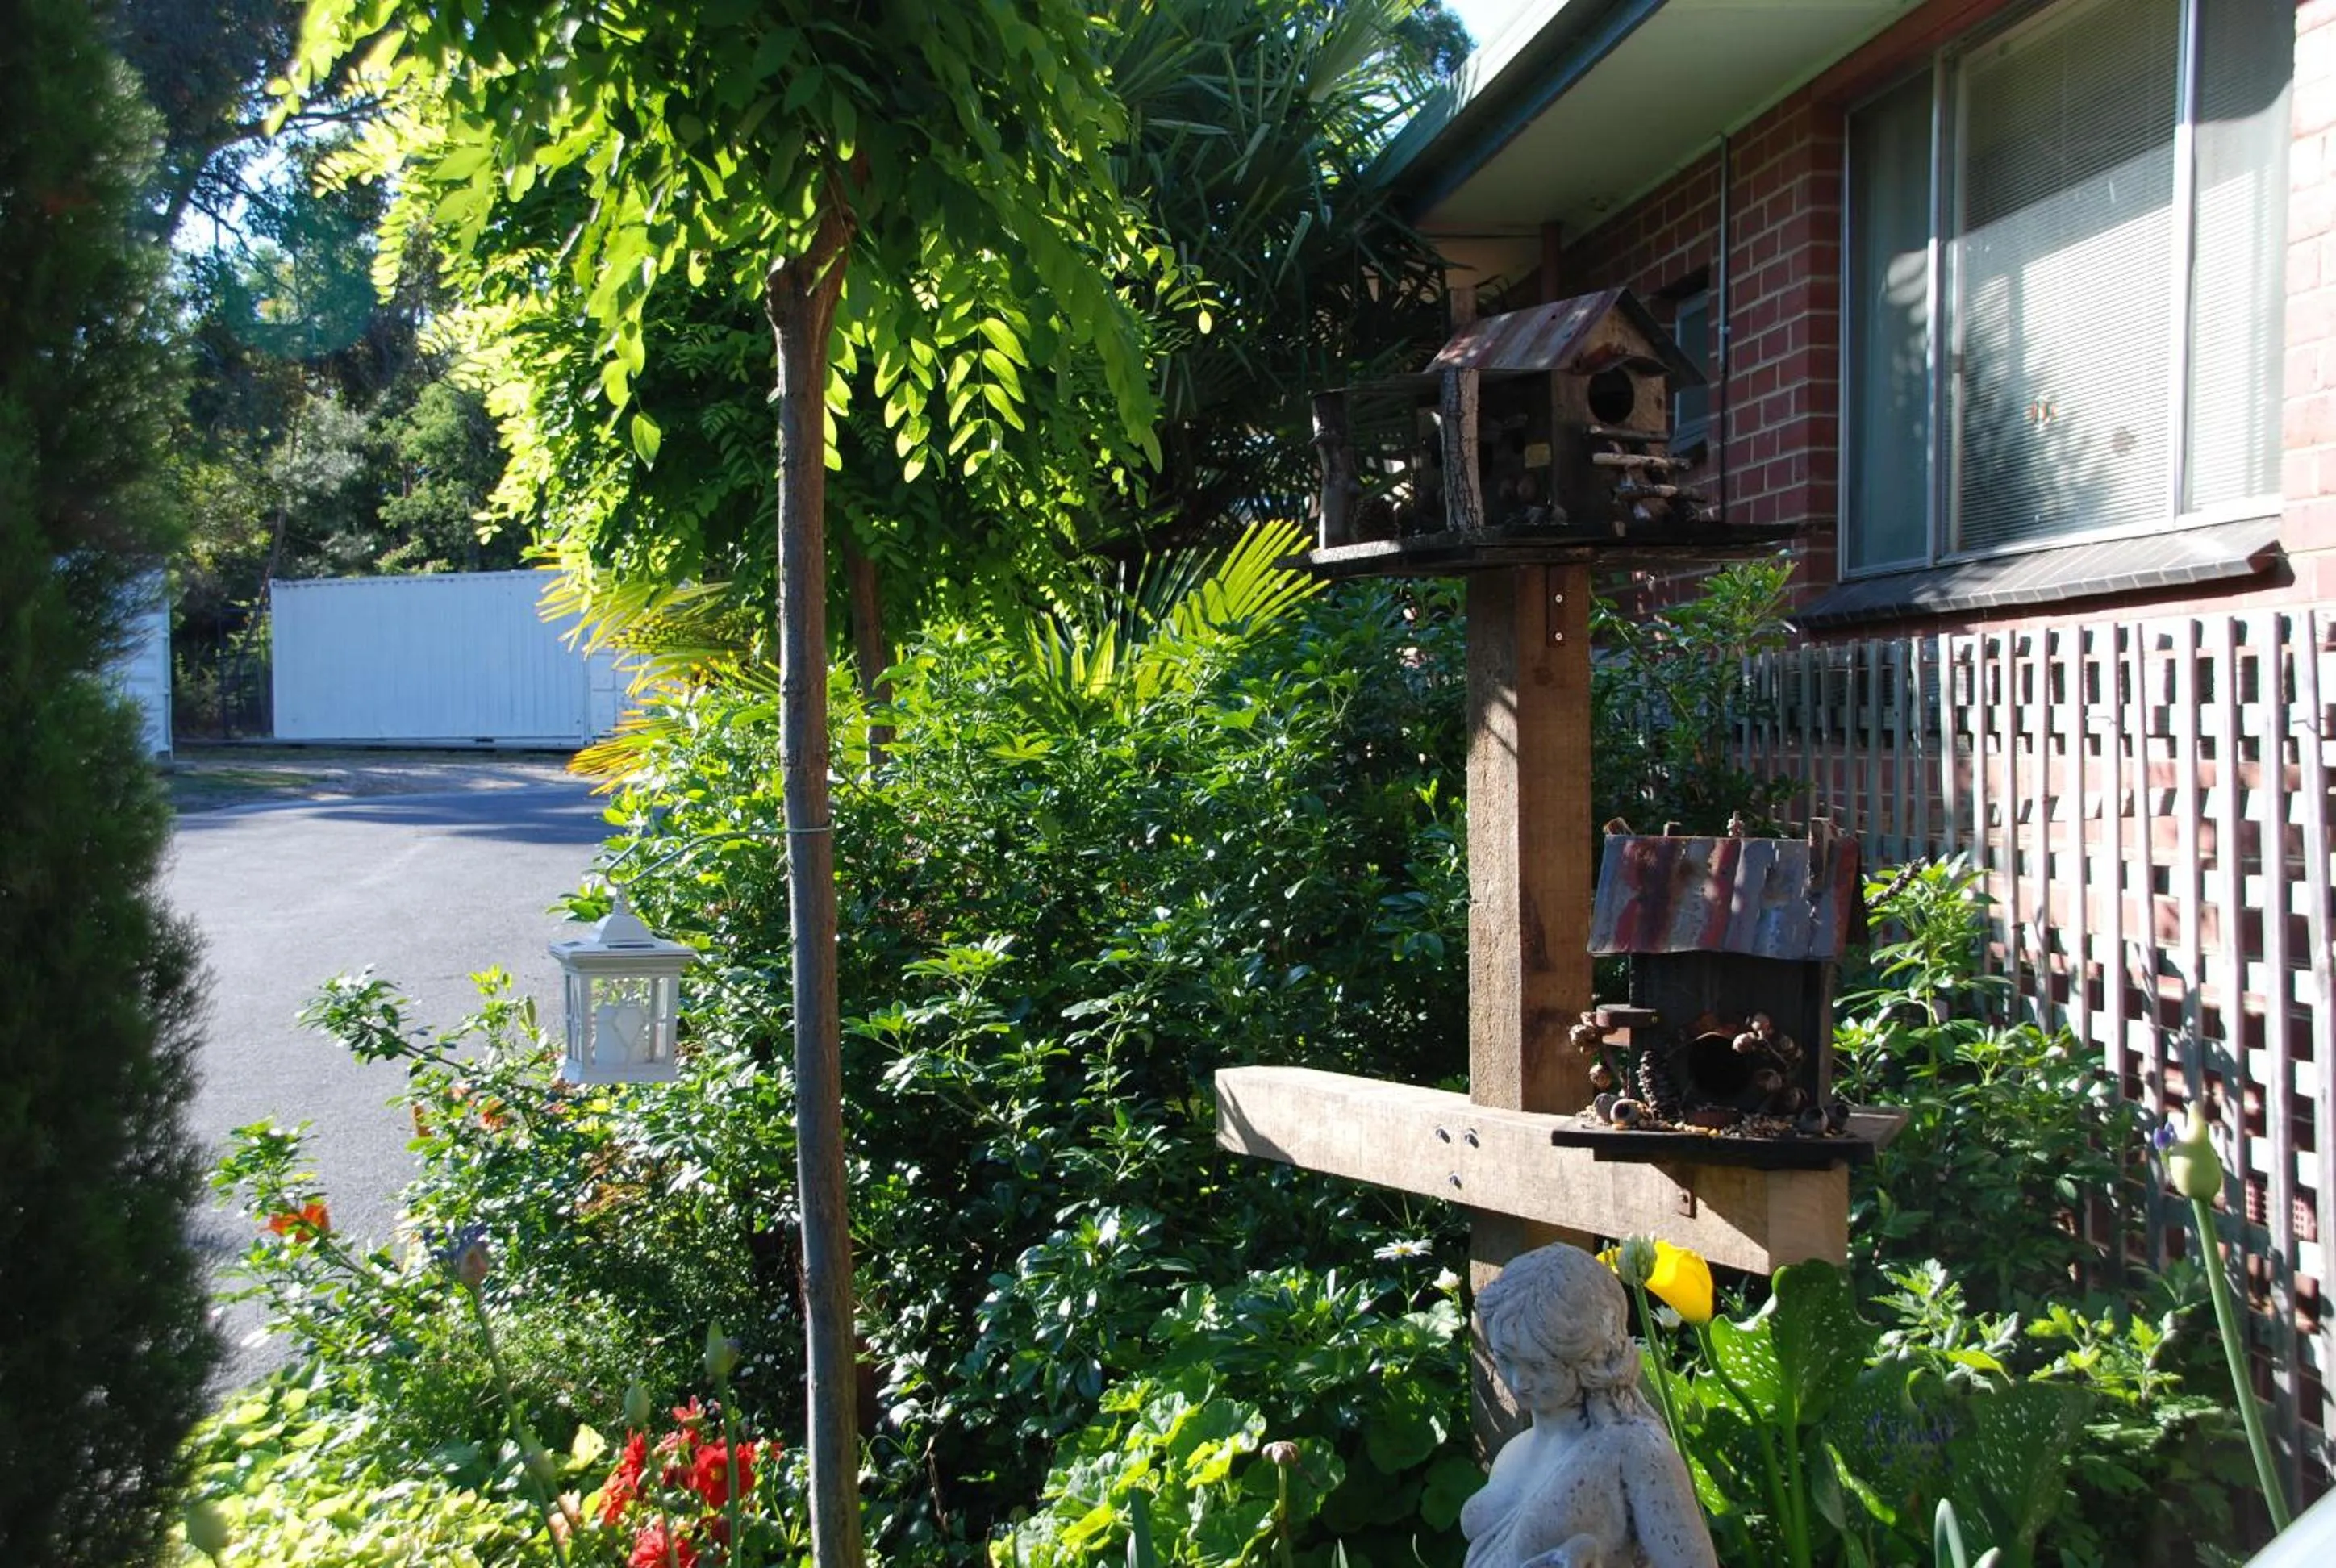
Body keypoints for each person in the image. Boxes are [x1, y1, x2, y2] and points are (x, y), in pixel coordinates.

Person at [1461, 1244, 1717, 1568]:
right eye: (1505, 1359)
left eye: (1539, 1366)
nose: (1518, 1380)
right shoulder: (1517, 1448)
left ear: (1589, 1356)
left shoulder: (1633, 1448)